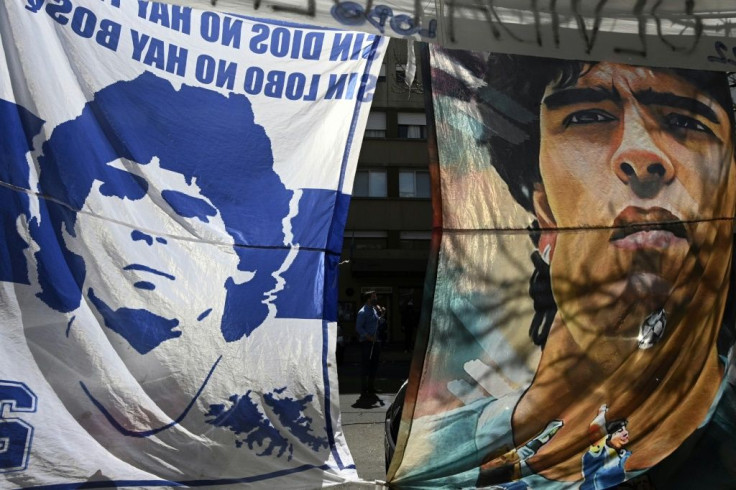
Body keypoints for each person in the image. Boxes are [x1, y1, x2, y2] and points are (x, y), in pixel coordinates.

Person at [391, 53, 736, 487]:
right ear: (545, 213)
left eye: (686, 121)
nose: (642, 153)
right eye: (589, 116)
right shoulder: (436, 455)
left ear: (728, 197)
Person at [2, 72, 332, 482]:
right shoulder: (22, 351)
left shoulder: (280, 414)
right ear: (67, 230)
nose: (144, 231)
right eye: (119, 195)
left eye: (184, 213)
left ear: (244, 262)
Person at [356, 290, 386, 396]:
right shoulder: (363, 312)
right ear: (369, 299)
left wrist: (382, 314)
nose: (376, 298)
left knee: (374, 365)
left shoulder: (373, 309)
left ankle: (371, 387)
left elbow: (378, 322)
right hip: (367, 343)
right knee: (366, 366)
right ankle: (364, 389)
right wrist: (368, 337)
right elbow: (358, 327)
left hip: (375, 341)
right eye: (374, 297)